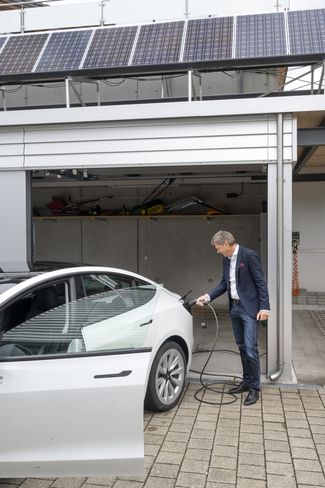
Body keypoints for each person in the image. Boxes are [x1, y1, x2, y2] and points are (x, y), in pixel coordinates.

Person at [196, 230, 270, 406]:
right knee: (242, 347)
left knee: (251, 348)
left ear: (227, 243)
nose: (217, 251)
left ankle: (254, 389)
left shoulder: (249, 256)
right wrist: (207, 296)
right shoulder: (226, 259)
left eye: (218, 247)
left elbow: (261, 282)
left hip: (249, 308)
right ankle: (246, 382)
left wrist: (265, 307)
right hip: (234, 308)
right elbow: (224, 283)